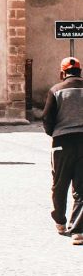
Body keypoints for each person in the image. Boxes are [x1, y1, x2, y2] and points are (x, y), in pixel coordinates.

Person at [42, 57, 83, 245]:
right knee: (81, 188)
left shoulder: (55, 90)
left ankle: (60, 221)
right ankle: (78, 231)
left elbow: (47, 119)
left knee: (60, 184)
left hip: (61, 143)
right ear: (80, 71)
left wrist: (55, 133)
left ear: (62, 72)